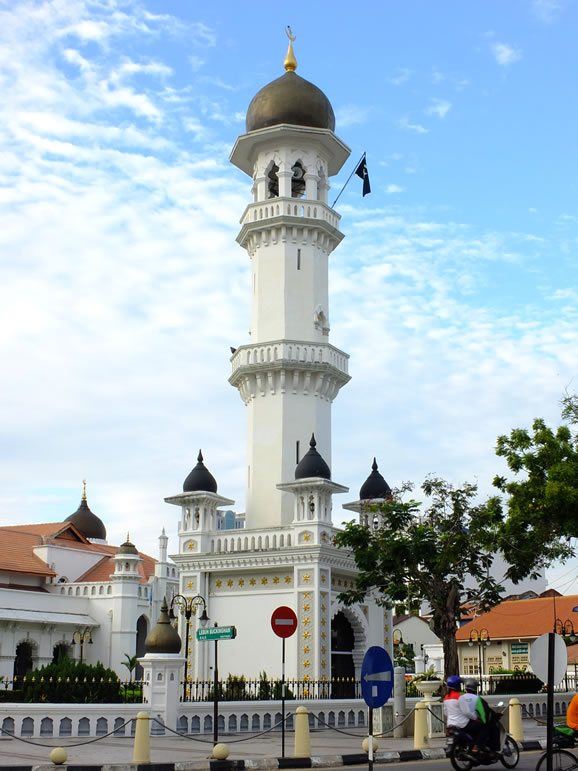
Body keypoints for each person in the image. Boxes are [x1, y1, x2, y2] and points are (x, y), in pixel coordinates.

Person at [459, 678, 500, 756]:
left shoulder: (461, 696)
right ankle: (481, 748)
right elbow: (485, 713)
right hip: (473, 723)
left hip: (462, 723)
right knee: (491, 728)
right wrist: (487, 721)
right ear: (475, 688)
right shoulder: (477, 699)